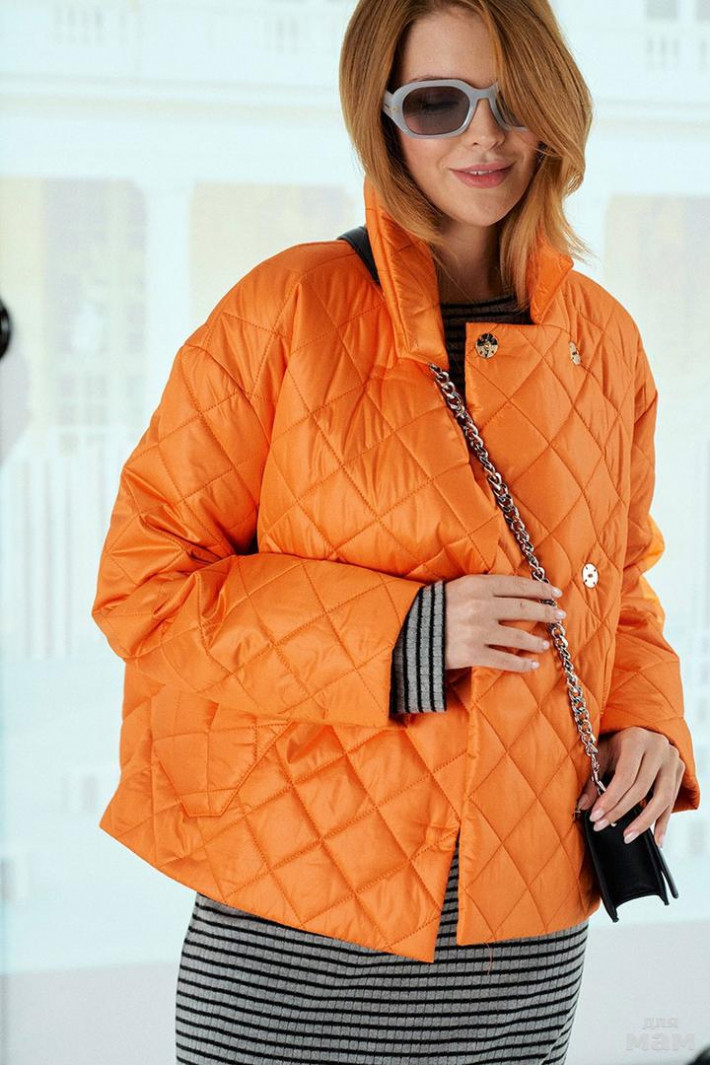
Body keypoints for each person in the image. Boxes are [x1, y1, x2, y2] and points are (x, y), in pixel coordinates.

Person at [91, 1, 702, 1063]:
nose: (484, 136)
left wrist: (644, 718)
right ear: (382, 119)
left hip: (525, 959)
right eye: (437, 105)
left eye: (512, 100)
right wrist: (408, 631)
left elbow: (619, 583)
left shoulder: (604, 342)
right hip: (295, 952)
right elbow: (146, 586)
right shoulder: (288, 308)